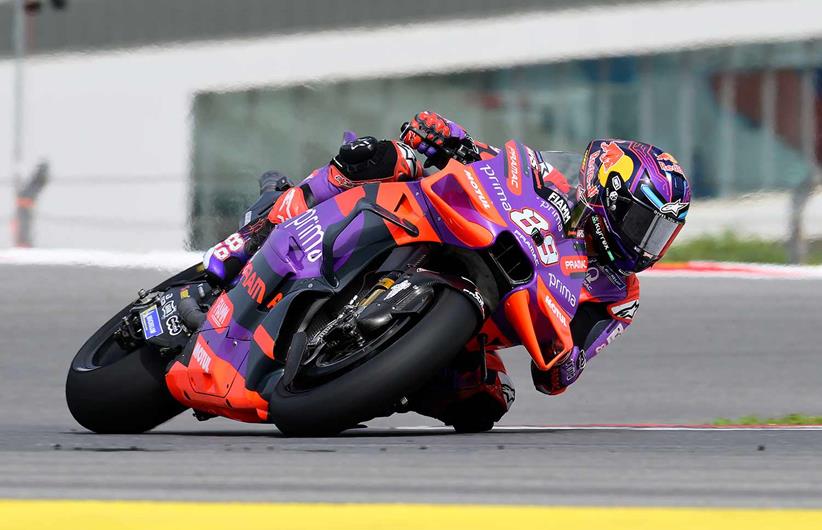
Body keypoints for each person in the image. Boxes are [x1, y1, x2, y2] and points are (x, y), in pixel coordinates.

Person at [203, 111, 691, 430]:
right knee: (383, 158)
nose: (645, 243)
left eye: (659, 234)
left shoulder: (618, 295)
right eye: (640, 223)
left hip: (475, 329)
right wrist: (448, 136)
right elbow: (497, 165)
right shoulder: (554, 181)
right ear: (606, 191)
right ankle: (258, 232)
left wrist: (566, 359)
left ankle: (367, 380)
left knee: (485, 405)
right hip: (445, 231)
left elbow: (559, 375)